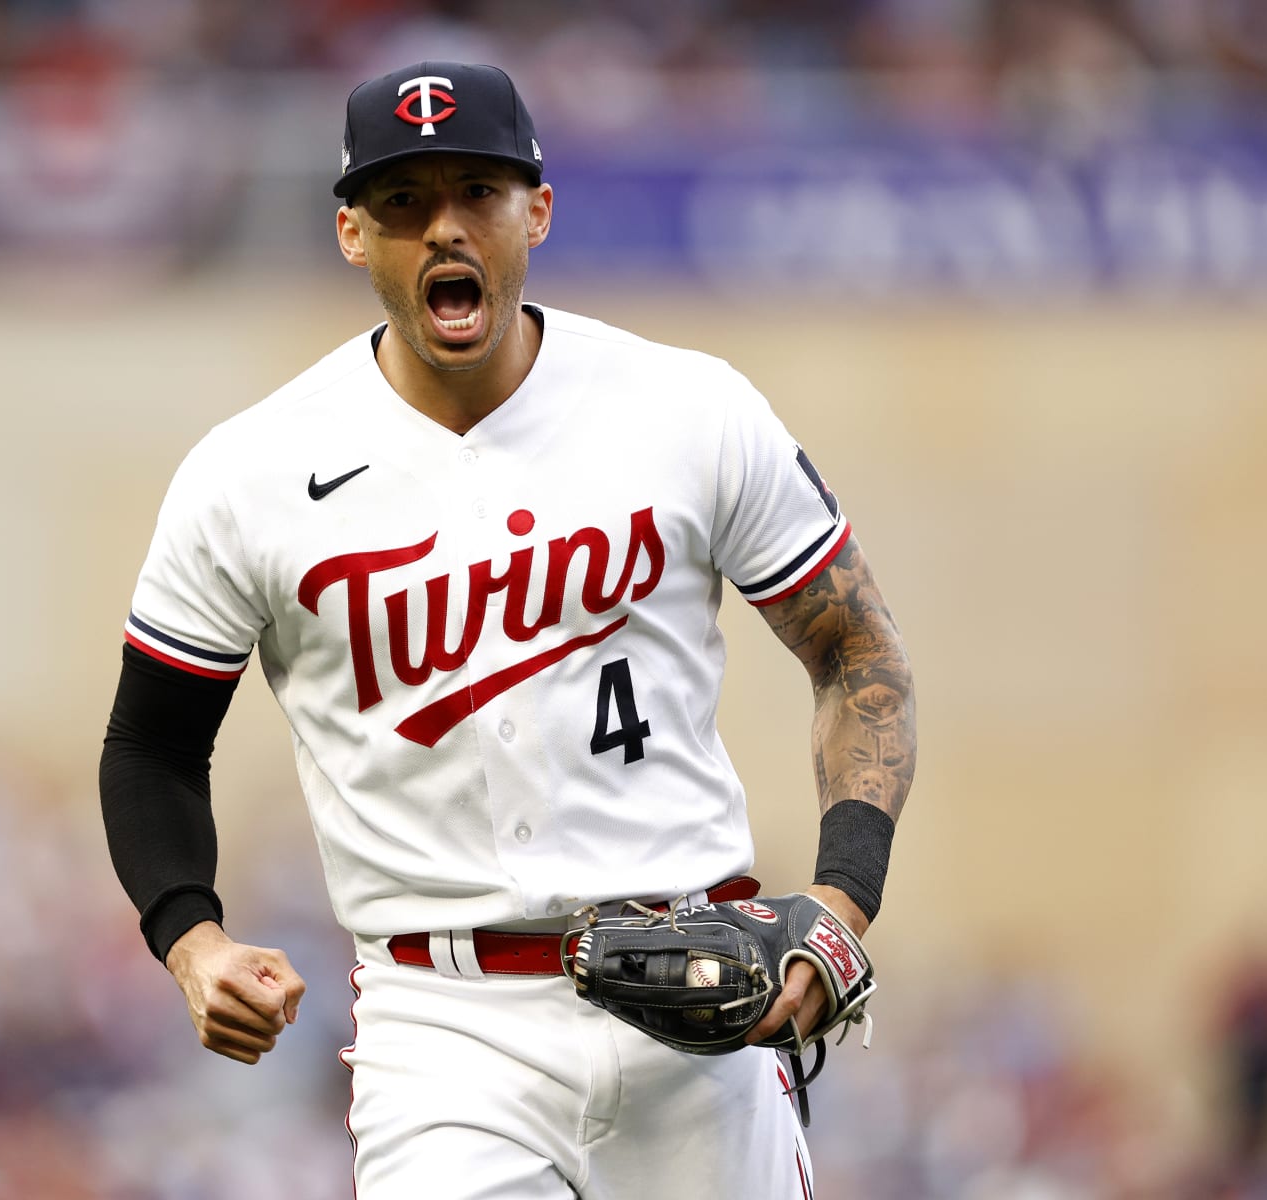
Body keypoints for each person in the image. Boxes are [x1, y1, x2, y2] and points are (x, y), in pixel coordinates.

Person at [100, 60, 917, 1199]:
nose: (445, 227)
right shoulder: (249, 474)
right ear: (350, 233)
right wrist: (193, 939)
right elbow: (151, 744)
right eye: (403, 201)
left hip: (703, 1005)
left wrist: (839, 899)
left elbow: (857, 652)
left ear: (538, 207)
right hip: (443, 1032)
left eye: (477, 191)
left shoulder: (687, 408)